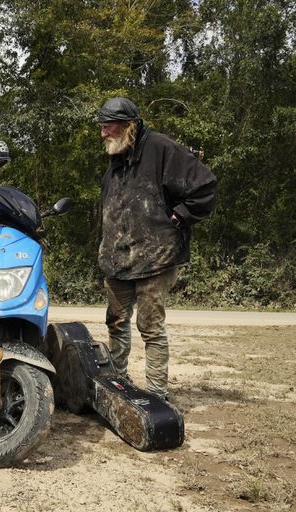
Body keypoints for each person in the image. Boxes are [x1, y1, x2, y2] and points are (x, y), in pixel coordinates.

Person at [97, 97, 217, 401]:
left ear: (128, 126)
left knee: (150, 326)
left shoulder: (160, 148)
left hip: (156, 257)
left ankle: (156, 395)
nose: (102, 132)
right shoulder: (116, 159)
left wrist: (181, 216)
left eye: (107, 125)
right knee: (116, 322)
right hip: (118, 258)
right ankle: (117, 381)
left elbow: (204, 186)